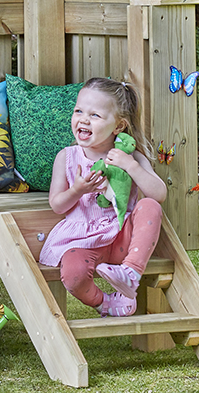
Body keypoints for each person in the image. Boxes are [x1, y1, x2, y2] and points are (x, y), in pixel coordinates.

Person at [39, 77, 168, 317]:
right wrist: (77, 190)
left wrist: (131, 166)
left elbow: (159, 194)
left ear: (119, 126)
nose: (83, 119)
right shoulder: (67, 157)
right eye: (78, 111)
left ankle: (130, 273)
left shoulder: (129, 156)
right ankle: (105, 303)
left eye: (95, 115)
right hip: (82, 241)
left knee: (150, 206)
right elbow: (57, 205)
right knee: (73, 275)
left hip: (121, 238)